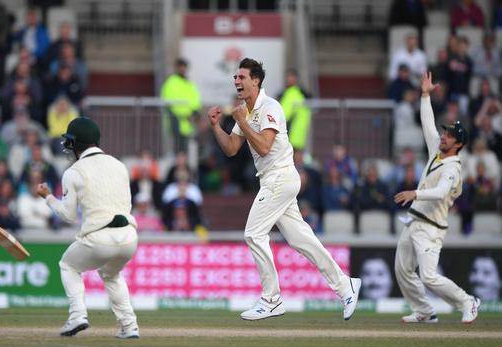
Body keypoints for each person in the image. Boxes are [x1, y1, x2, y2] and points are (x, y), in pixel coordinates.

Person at [207, 58, 361, 321]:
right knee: (302, 240)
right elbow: (232, 148)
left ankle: (271, 299)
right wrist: (215, 127)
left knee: (254, 233)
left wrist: (242, 122)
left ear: (256, 81)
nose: (237, 82)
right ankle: (345, 284)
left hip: (280, 177)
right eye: (235, 78)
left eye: (242, 77)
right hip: (273, 180)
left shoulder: (270, 107)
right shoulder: (246, 110)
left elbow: (265, 147)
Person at [35, 117, 140, 339]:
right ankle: (129, 326)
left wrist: (48, 198)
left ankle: (77, 315)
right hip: (129, 237)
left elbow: (68, 216)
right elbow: (128, 204)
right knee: (111, 274)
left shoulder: (73, 171)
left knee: (68, 265)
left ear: (74, 143)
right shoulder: (120, 165)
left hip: (100, 239)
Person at [394, 71, 480, 324]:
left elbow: (441, 192)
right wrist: (424, 95)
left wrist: (415, 192)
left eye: (450, 136)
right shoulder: (437, 152)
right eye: (445, 133)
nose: (444, 136)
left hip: (431, 228)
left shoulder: (454, 168)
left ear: (459, 144)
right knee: (402, 268)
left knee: (429, 276)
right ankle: (424, 310)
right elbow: (427, 123)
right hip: (414, 221)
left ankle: (467, 301)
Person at [161, 58, 202, 154]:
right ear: (177, 68)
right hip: (176, 121)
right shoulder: (171, 82)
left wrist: (194, 112)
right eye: (181, 67)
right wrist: (186, 114)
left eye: (184, 67)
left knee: (186, 150)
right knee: (178, 149)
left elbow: (195, 100)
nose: (183, 69)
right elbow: (169, 101)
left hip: (188, 123)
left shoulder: (189, 83)